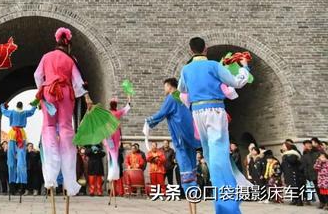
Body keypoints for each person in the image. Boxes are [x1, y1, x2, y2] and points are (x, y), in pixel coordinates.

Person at [178, 37, 250, 214]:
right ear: (206, 49)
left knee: (210, 155)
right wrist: (245, 67)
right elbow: (237, 82)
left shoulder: (186, 69)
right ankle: (227, 205)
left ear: (190, 50)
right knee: (218, 155)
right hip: (215, 110)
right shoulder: (214, 66)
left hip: (197, 112)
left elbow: (182, 90)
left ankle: (228, 194)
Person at [34, 27, 93, 197]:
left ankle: (51, 177)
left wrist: (41, 93)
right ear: (68, 45)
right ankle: (69, 180)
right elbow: (78, 81)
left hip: (48, 92)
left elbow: (37, 75)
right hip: (66, 92)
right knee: (66, 129)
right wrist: (87, 98)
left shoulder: (46, 57)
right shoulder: (71, 59)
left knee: (49, 128)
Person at [144, 77, 200, 211]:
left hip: (180, 139)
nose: (164, 89)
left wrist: (148, 122)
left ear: (169, 86)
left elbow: (162, 114)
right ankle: (193, 206)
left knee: (186, 171)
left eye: (165, 86)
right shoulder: (185, 97)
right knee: (192, 170)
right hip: (191, 138)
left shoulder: (172, 97)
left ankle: (191, 198)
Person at [1, 100, 36, 194]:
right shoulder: (24, 112)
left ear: (16, 106)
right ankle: (22, 184)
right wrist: (34, 105)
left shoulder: (12, 112)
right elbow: (32, 111)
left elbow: (3, 111)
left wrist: (3, 106)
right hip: (21, 134)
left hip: (13, 133)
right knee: (21, 160)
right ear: (21, 106)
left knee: (11, 159)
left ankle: (12, 186)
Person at [103, 95, 131, 193]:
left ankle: (111, 175)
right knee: (114, 155)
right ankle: (114, 174)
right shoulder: (117, 113)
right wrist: (129, 101)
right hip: (116, 135)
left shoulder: (106, 114)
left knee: (110, 156)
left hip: (108, 136)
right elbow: (126, 109)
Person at [281, 141, 304, 206]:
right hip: (287, 173)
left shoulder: (294, 153)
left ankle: (299, 201)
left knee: (296, 186)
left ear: (287, 147)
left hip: (294, 172)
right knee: (291, 187)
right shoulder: (284, 154)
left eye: (283, 146)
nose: (282, 147)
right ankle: (294, 200)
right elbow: (283, 164)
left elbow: (292, 161)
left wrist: (285, 156)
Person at [302, 139, 321, 205]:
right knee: (317, 189)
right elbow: (305, 166)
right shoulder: (305, 154)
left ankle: (326, 202)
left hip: (320, 174)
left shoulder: (318, 152)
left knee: (323, 188)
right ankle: (322, 202)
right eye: (305, 144)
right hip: (311, 174)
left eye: (309, 143)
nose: (307, 145)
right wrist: (306, 175)